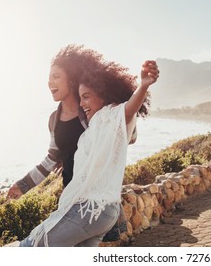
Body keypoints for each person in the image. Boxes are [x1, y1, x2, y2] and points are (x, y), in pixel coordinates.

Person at [19, 58, 159, 247]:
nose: (82, 104)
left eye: (86, 97)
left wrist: (143, 87)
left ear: (104, 96)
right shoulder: (90, 125)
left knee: (30, 247)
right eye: (81, 97)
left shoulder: (109, 116)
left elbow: (128, 111)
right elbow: (58, 156)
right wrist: (24, 184)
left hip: (89, 209)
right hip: (97, 212)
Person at [8, 44, 133, 243]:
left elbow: (124, 133)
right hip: (72, 199)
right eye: (49, 78)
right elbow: (51, 159)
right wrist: (22, 185)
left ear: (72, 78)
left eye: (56, 76)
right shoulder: (54, 120)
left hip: (92, 202)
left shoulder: (93, 111)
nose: (50, 82)